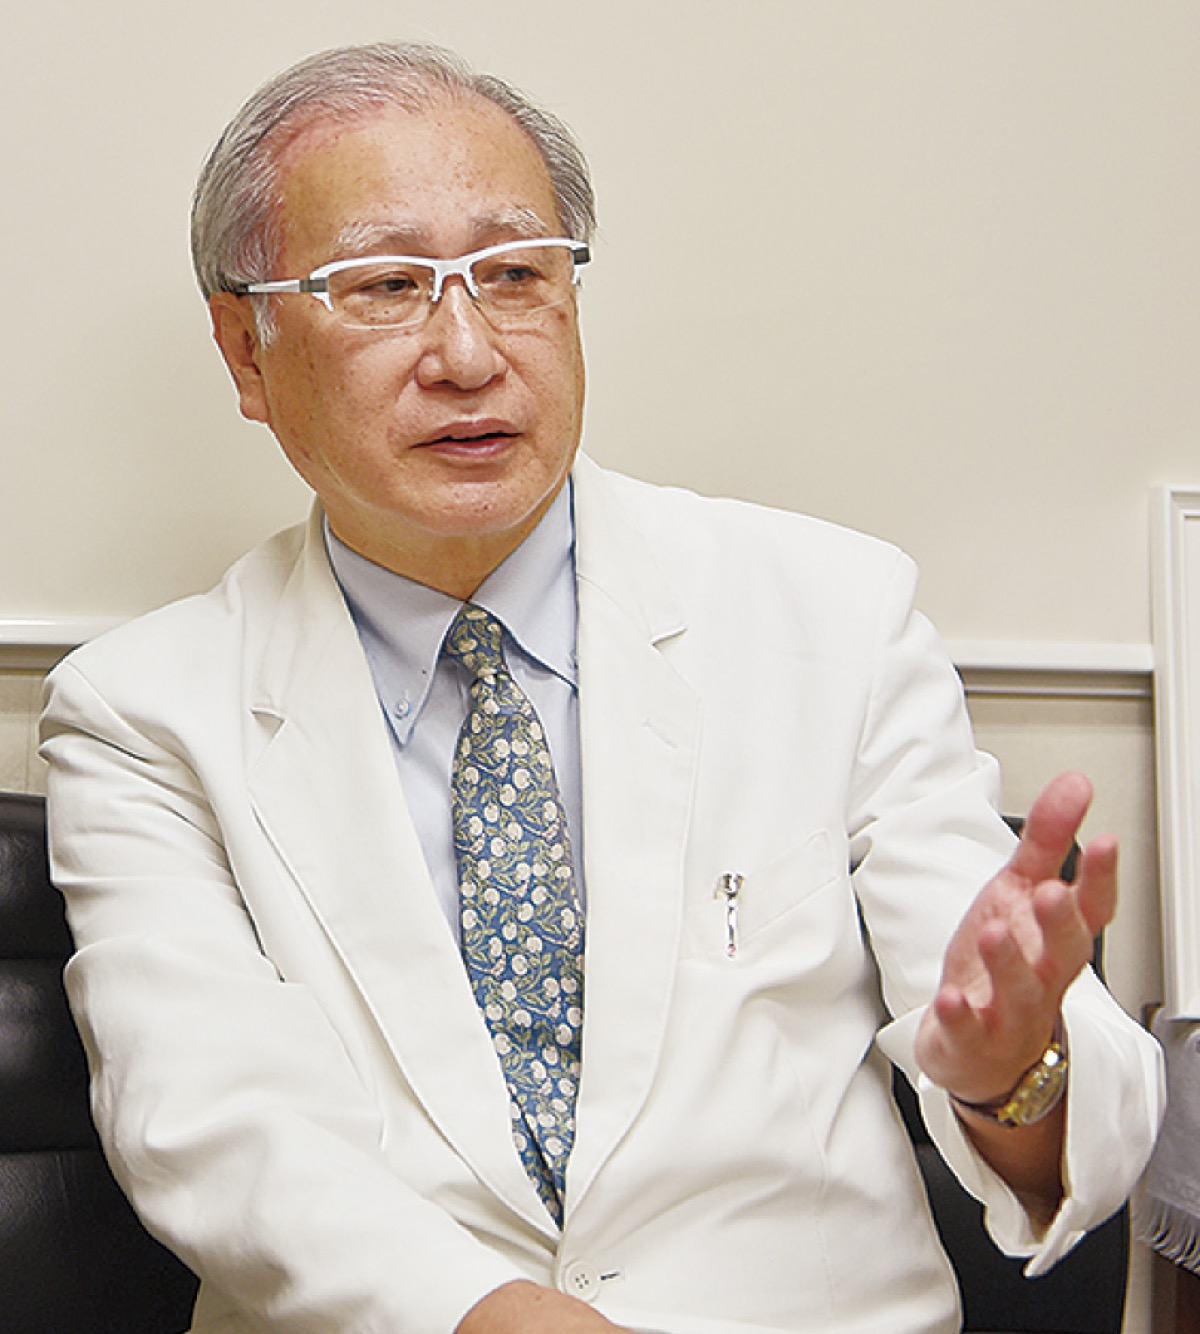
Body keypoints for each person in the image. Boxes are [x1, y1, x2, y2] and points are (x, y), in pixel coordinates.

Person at [40, 41, 1162, 1334]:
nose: (469, 353)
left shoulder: (832, 612)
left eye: (517, 273)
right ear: (248, 350)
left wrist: (1014, 1073)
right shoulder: (142, 713)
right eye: (388, 284)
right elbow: (214, 1123)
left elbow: (1039, 1084)